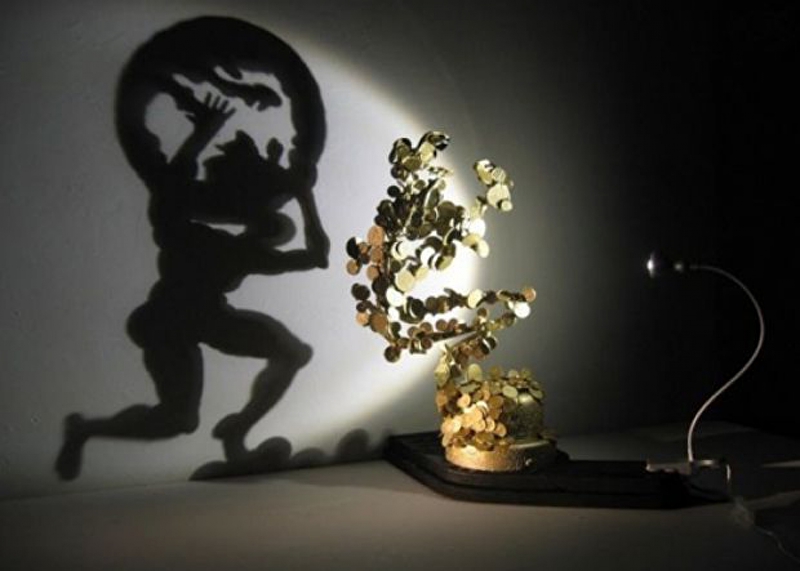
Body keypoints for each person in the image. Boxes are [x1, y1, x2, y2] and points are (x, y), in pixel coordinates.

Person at [56, 17, 328, 479]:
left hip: (210, 319)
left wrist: (304, 196)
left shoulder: (242, 251)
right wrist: (203, 136)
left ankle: (236, 431)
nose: (274, 227)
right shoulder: (194, 236)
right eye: (274, 223)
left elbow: (316, 258)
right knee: (178, 418)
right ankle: (86, 430)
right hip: (169, 322)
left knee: (291, 353)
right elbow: (172, 192)